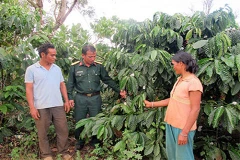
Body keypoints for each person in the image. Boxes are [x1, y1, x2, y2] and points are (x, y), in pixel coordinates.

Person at [144, 51, 203, 160]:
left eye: (173, 64)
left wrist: (184, 133)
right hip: (171, 124)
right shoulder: (180, 80)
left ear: (181, 64)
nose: (173, 67)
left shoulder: (193, 83)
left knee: (183, 157)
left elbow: (195, 109)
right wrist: (151, 104)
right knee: (173, 156)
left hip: (183, 127)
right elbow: (173, 100)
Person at [67, 44, 126, 150]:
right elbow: (70, 84)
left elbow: (107, 79)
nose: (93, 59)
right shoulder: (74, 67)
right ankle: (80, 141)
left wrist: (119, 90)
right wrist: (70, 97)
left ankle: (95, 141)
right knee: (79, 120)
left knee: (97, 119)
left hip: (95, 98)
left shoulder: (99, 66)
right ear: (83, 55)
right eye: (90, 56)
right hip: (80, 98)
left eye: (94, 56)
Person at [25, 43, 72, 160]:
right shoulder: (31, 69)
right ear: (43, 54)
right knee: (42, 132)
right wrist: (32, 107)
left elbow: (62, 85)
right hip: (41, 106)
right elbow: (29, 89)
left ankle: (63, 152)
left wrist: (66, 101)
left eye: (55, 55)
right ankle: (46, 155)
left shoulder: (57, 69)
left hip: (57, 105)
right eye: (52, 55)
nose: (54, 58)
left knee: (63, 130)